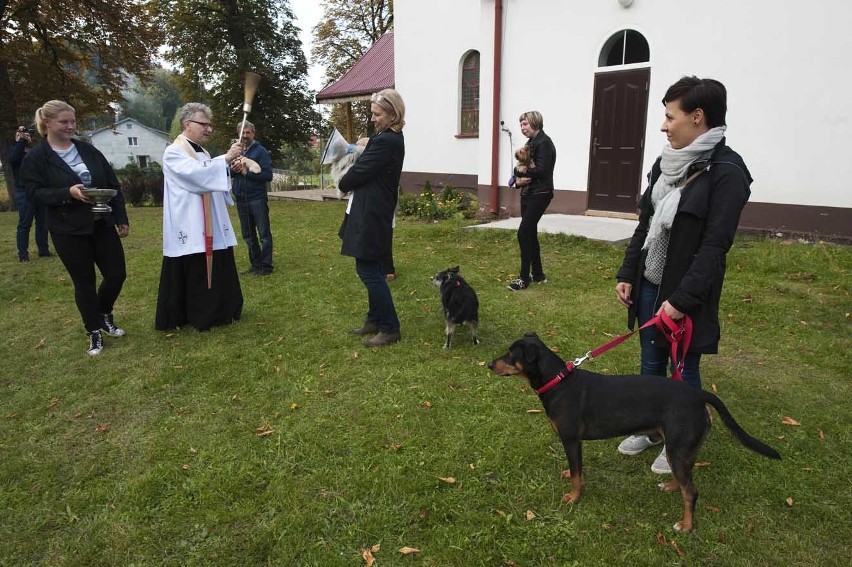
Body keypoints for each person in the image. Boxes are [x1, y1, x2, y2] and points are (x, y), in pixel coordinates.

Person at [614, 76, 753, 474]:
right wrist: (628, 272)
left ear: (697, 117)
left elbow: (714, 248)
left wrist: (682, 300)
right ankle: (651, 426)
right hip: (648, 285)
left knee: (683, 367)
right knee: (650, 360)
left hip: (686, 293)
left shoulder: (728, 173)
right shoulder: (665, 162)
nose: (663, 125)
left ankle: (681, 434)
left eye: (669, 116)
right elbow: (646, 224)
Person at [18, 100, 129, 356]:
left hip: (101, 223)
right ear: (47, 123)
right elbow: (33, 193)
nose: (70, 126)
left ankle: (102, 314)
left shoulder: (88, 151)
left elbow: (113, 184)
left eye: (73, 121)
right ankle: (93, 331)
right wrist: (66, 192)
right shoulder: (37, 158)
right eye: (64, 122)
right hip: (67, 228)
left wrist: (121, 217)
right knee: (84, 281)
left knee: (116, 274)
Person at [155, 103, 245, 332]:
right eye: (204, 124)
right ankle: (200, 313)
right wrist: (224, 159)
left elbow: (208, 172)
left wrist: (227, 168)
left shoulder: (201, 151)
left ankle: (224, 309)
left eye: (210, 125)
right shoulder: (174, 151)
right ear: (187, 124)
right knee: (195, 266)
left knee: (219, 260)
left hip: (211, 218)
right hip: (190, 220)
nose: (209, 129)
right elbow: (195, 176)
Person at [339, 88, 406, 347]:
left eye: (377, 114)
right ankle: (374, 320)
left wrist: (344, 181)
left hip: (372, 212)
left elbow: (360, 172)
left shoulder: (387, 141)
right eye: (372, 113)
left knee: (368, 269)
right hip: (371, 208)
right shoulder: (385, 137)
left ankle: (390, 327)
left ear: (392, 114)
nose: (373, 118)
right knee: (373, 266)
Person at [507, 110, 557, 291]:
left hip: (540, 194)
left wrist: (520, 172)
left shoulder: (545, 143)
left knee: (523, 233)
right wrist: (519, 174)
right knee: (530, 233)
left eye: (525, 124)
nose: (522, 127)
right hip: (528, 194)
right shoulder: (531, 143)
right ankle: (538, 274)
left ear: (535, 123)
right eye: (521, 124)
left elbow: (542, 171)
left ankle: (523, 278)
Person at [230, 120, 274, 275]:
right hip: (241, 199)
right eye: (243, 132)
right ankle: (255, 265)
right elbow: (229, 173)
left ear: (253, 133)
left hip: (257, 198)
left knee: (263, 234)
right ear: (238, 133)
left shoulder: (261, 151)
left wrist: (245, 173)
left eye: (248, 132)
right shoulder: (236, 151)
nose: (245, 135)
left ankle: (266, 266)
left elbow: (268, 175)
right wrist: (234, 170)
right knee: (248, 235)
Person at [7, 126, 51, 261]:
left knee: (43, 223)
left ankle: (43, 250)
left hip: (39, 190)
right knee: (25, 224)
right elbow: (14, 160)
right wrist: (20, 141)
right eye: (22, 134)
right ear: (17, 135)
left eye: (26, 134)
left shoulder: (32, 151)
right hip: (24, 192)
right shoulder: (14, 151)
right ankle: (23, 254)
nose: (25, 136)